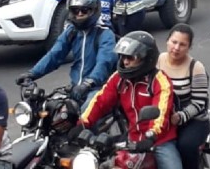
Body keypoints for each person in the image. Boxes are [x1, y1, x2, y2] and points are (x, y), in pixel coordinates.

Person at [75, 31, 182, 169]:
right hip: (132, 140)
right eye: (123, 57)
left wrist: (151, 136)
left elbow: (161, 112)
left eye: (131, 57)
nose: (125, 62)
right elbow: (100, 101)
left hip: (159, 141)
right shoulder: (118, 78)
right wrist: (82, 124)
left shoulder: (159, 80)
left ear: (146, 58)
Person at [15, 0, 117, 108]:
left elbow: (104, 63)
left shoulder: (104, 33)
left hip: (99, 88)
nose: (79, 14)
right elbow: (54, 55)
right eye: (75, 10)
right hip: (76, 88)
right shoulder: (71, 32)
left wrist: (88, 83)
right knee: (51, 113)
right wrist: (31, 74)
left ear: (94, 10)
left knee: (84, 118)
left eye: (84, 10)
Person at [157, 24, 210, 169]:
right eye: (174, 42)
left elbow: (199, 103)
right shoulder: (158, 60)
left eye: (182, 44)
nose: (176, 48)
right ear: (167, 41)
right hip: (162, 119)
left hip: (193, 121)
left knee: (185, 146)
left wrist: (180, 117)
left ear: (189, 47)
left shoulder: (196, 67)